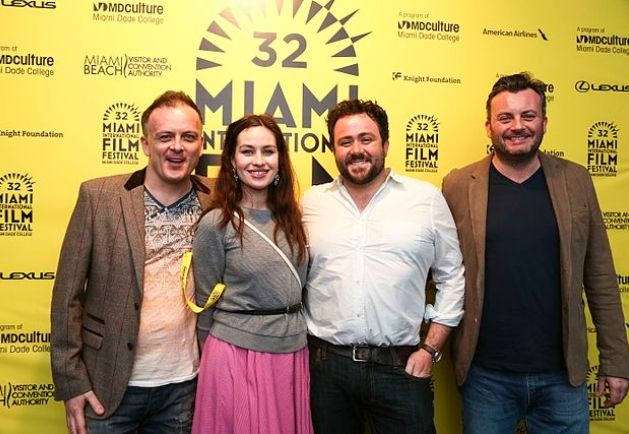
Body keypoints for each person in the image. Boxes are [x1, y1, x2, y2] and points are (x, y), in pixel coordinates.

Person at [442, 72, 629, 433]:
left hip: (563, 376)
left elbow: (601, 277)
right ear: (488, 127)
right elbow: (444, 273)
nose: (518, 126)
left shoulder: (575, 181)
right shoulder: (457, 186)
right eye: (505, 118)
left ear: (544, 122)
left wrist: (616, 361)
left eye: (528, 116)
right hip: (486, 377)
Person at [50, 90, 213, 434]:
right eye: (165, 136)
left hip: (184, 387)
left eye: (188, 137)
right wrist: (71, 381)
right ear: (144, 143)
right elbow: (67, 295)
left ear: (201, 143)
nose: (177, 147)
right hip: (106, 384)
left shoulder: (218, 198)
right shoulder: (99, 198)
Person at [302, 99, 465, 434]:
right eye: (345, 142)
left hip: (401, 368)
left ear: (385, 144)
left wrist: (430, 348)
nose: (356, 150)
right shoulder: (311, 202)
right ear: (333, 149)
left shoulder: (426, 199)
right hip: (325, 369)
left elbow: (453, 276)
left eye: (366, 139)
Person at [191, 114, 312, 434]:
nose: (258, 161)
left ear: (280, 160)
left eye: (268, 151)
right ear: (231, 160)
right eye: (247, 151)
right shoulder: (216, 223)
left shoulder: (294, 217)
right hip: (237, 355)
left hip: (292, 354)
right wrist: (212, 366)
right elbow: (205, 303)